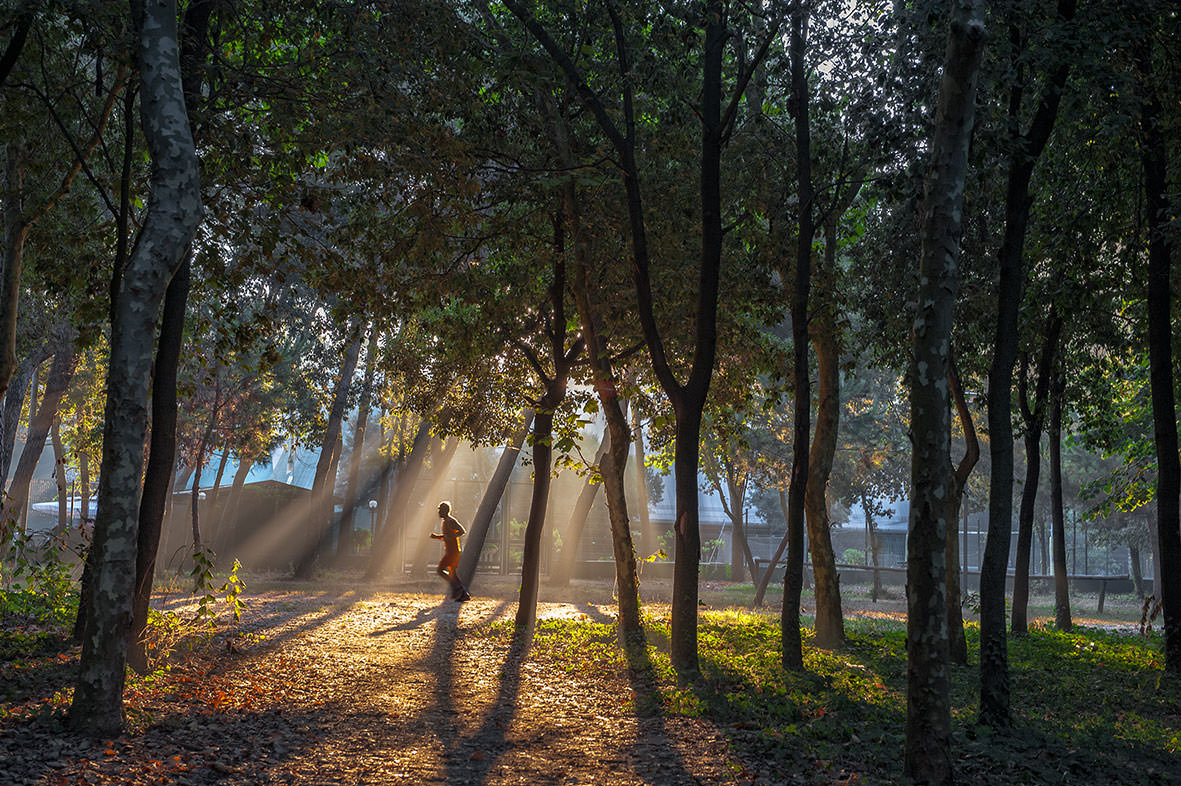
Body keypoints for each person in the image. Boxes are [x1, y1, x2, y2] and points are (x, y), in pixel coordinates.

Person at [431, 500, 470, 601]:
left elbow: (462, 531)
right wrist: (437, 537)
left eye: (440, 510)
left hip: (453, 552)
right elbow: (446, 536)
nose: (438, 512)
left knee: (440, 570)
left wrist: (451, 536)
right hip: (450, 551)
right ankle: (462, 592)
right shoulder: (445, 522)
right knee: (452, 573)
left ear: (445, 511)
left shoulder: (451, 521)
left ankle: (458, 590)